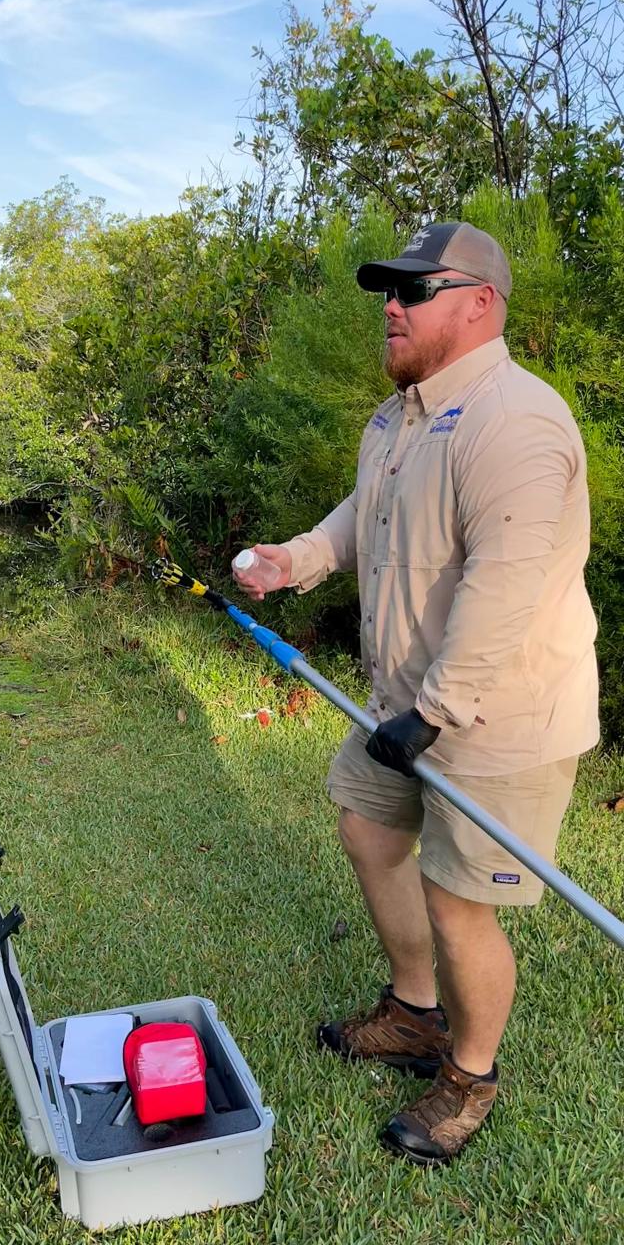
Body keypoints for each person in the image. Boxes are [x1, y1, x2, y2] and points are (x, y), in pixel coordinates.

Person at [233, 222, 599, 1165]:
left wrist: (433, 715)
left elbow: (504, 590)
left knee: (456, 899)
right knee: (367, 823)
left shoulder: (516, 421)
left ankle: (469, 1077)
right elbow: (367, 516)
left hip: (494, 713)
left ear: (480, 303)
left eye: (413, 289)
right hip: (403, 703)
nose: (389, 306)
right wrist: (298, 559)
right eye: (385, 291)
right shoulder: (398, 419)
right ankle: (415, 1012)